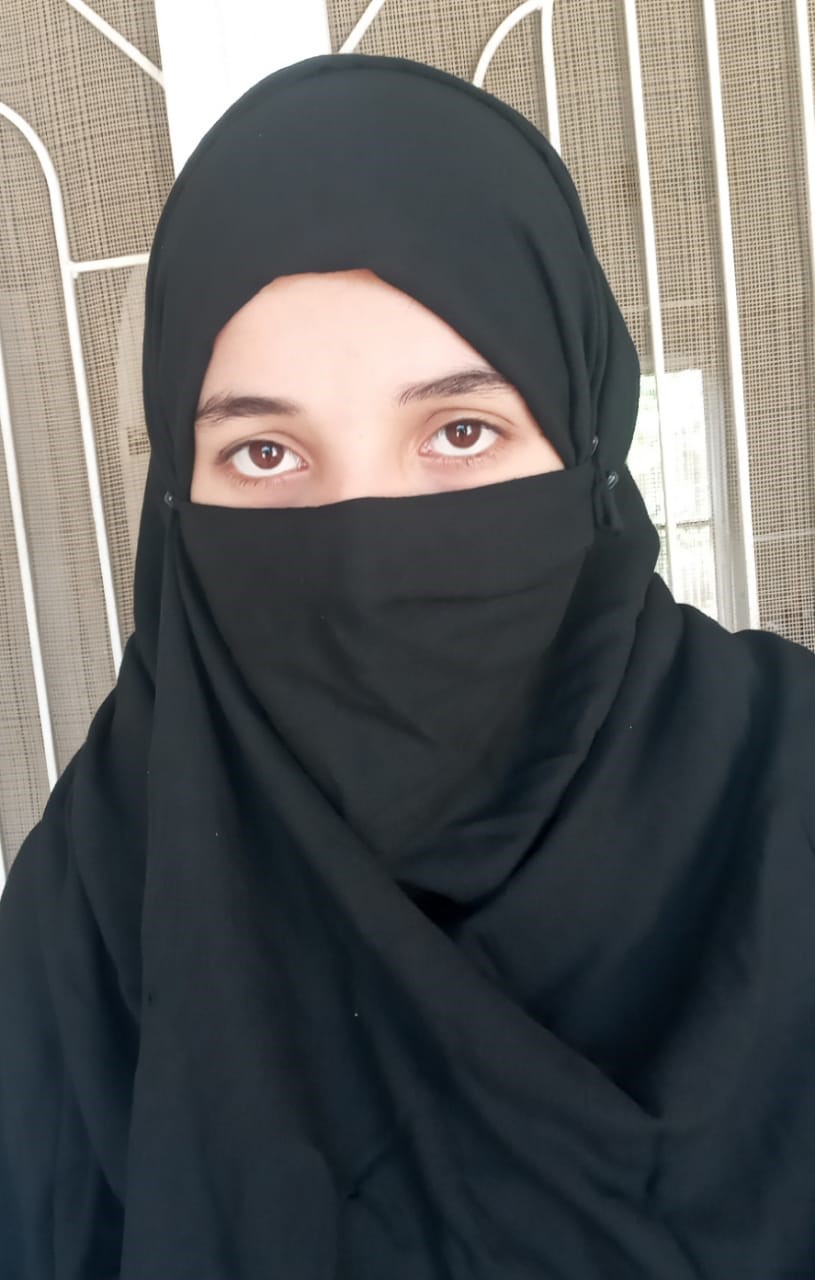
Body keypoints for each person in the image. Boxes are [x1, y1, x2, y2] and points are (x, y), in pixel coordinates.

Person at [1, 49, 814, 1280]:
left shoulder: (787, 797)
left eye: (460, 430)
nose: (364, 555)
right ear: (177, 494)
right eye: (265, 454)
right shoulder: (95, 909)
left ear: (586, 448)